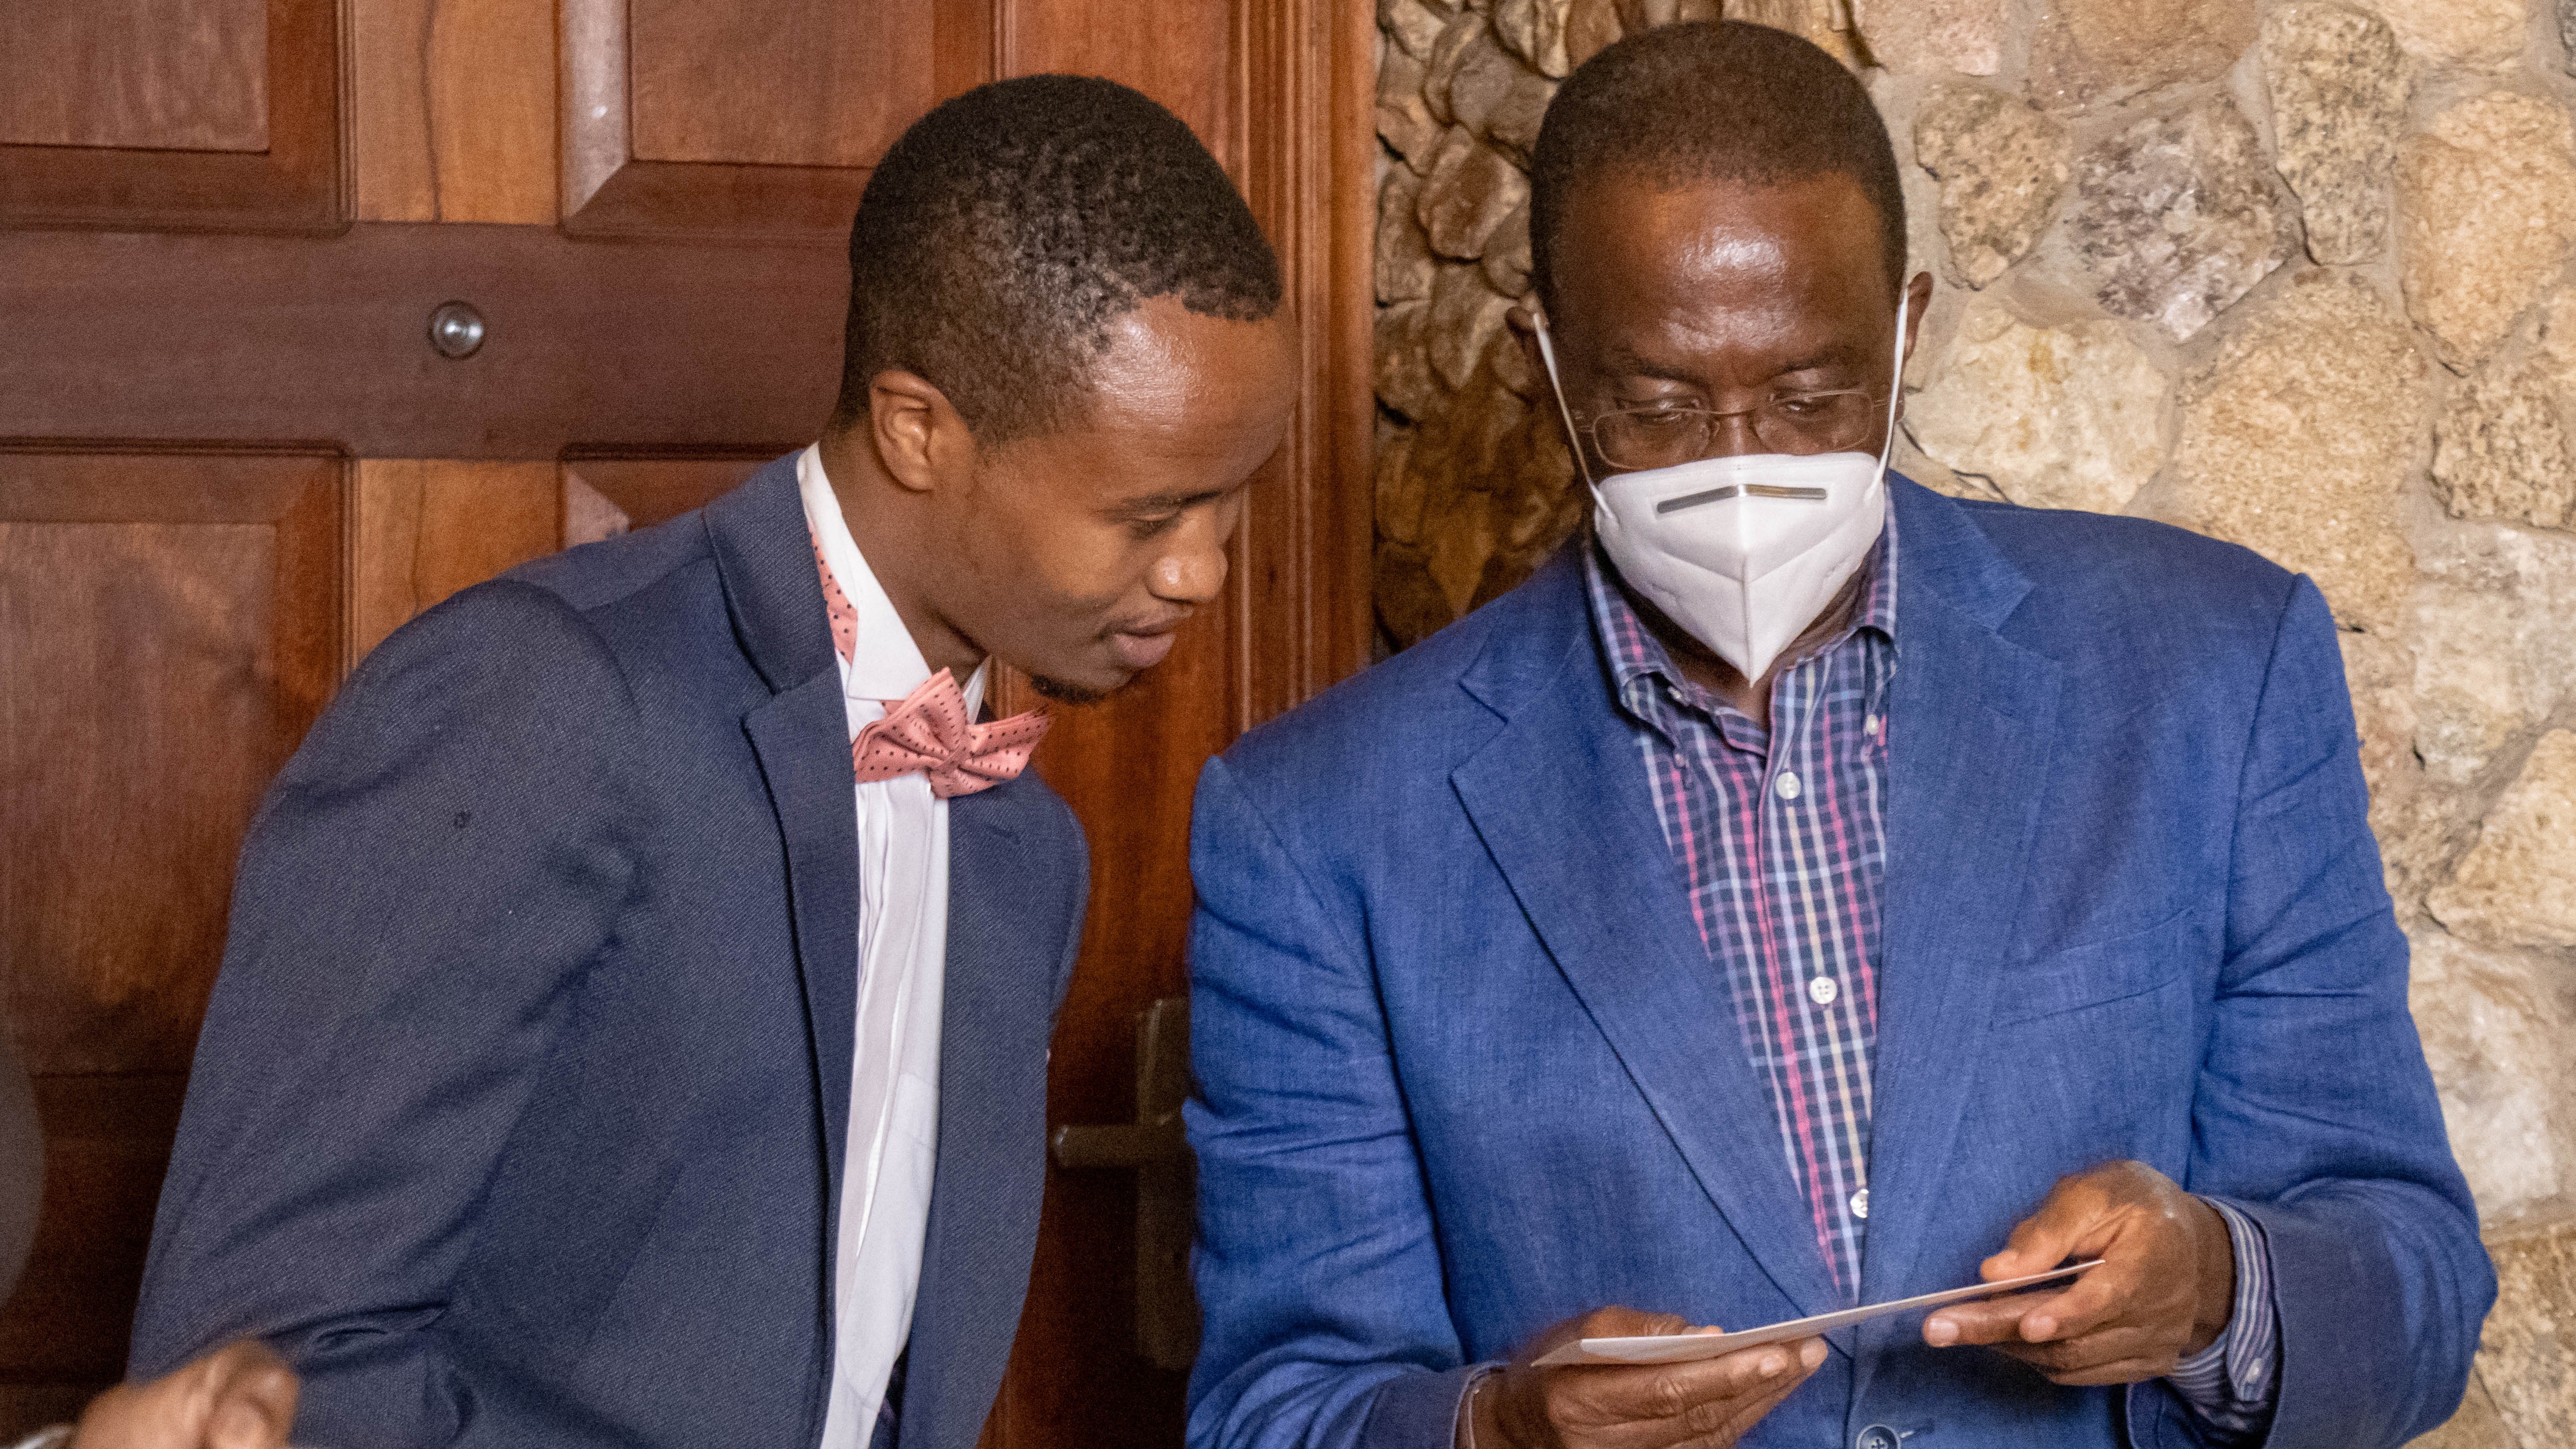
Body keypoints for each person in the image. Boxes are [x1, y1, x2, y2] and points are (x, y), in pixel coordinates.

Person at [1184, 21, 2490, 1449]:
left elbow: (2410, 1286)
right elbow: (1273, 1410)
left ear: (1906, 329)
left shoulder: (2207, 675)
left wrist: (2214, 1291)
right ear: (1546, 364)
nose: (1740, 458)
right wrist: (1498, 1429)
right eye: (1658, 405)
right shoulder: (1315, 828)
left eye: (1809, 396)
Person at [127, 75, 1293, 1449]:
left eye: (1232, 500)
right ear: (921, 430)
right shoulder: (542, 702)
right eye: (1149, 513)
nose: (1203, 571)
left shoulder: (1027, 844)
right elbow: (263, 1358)